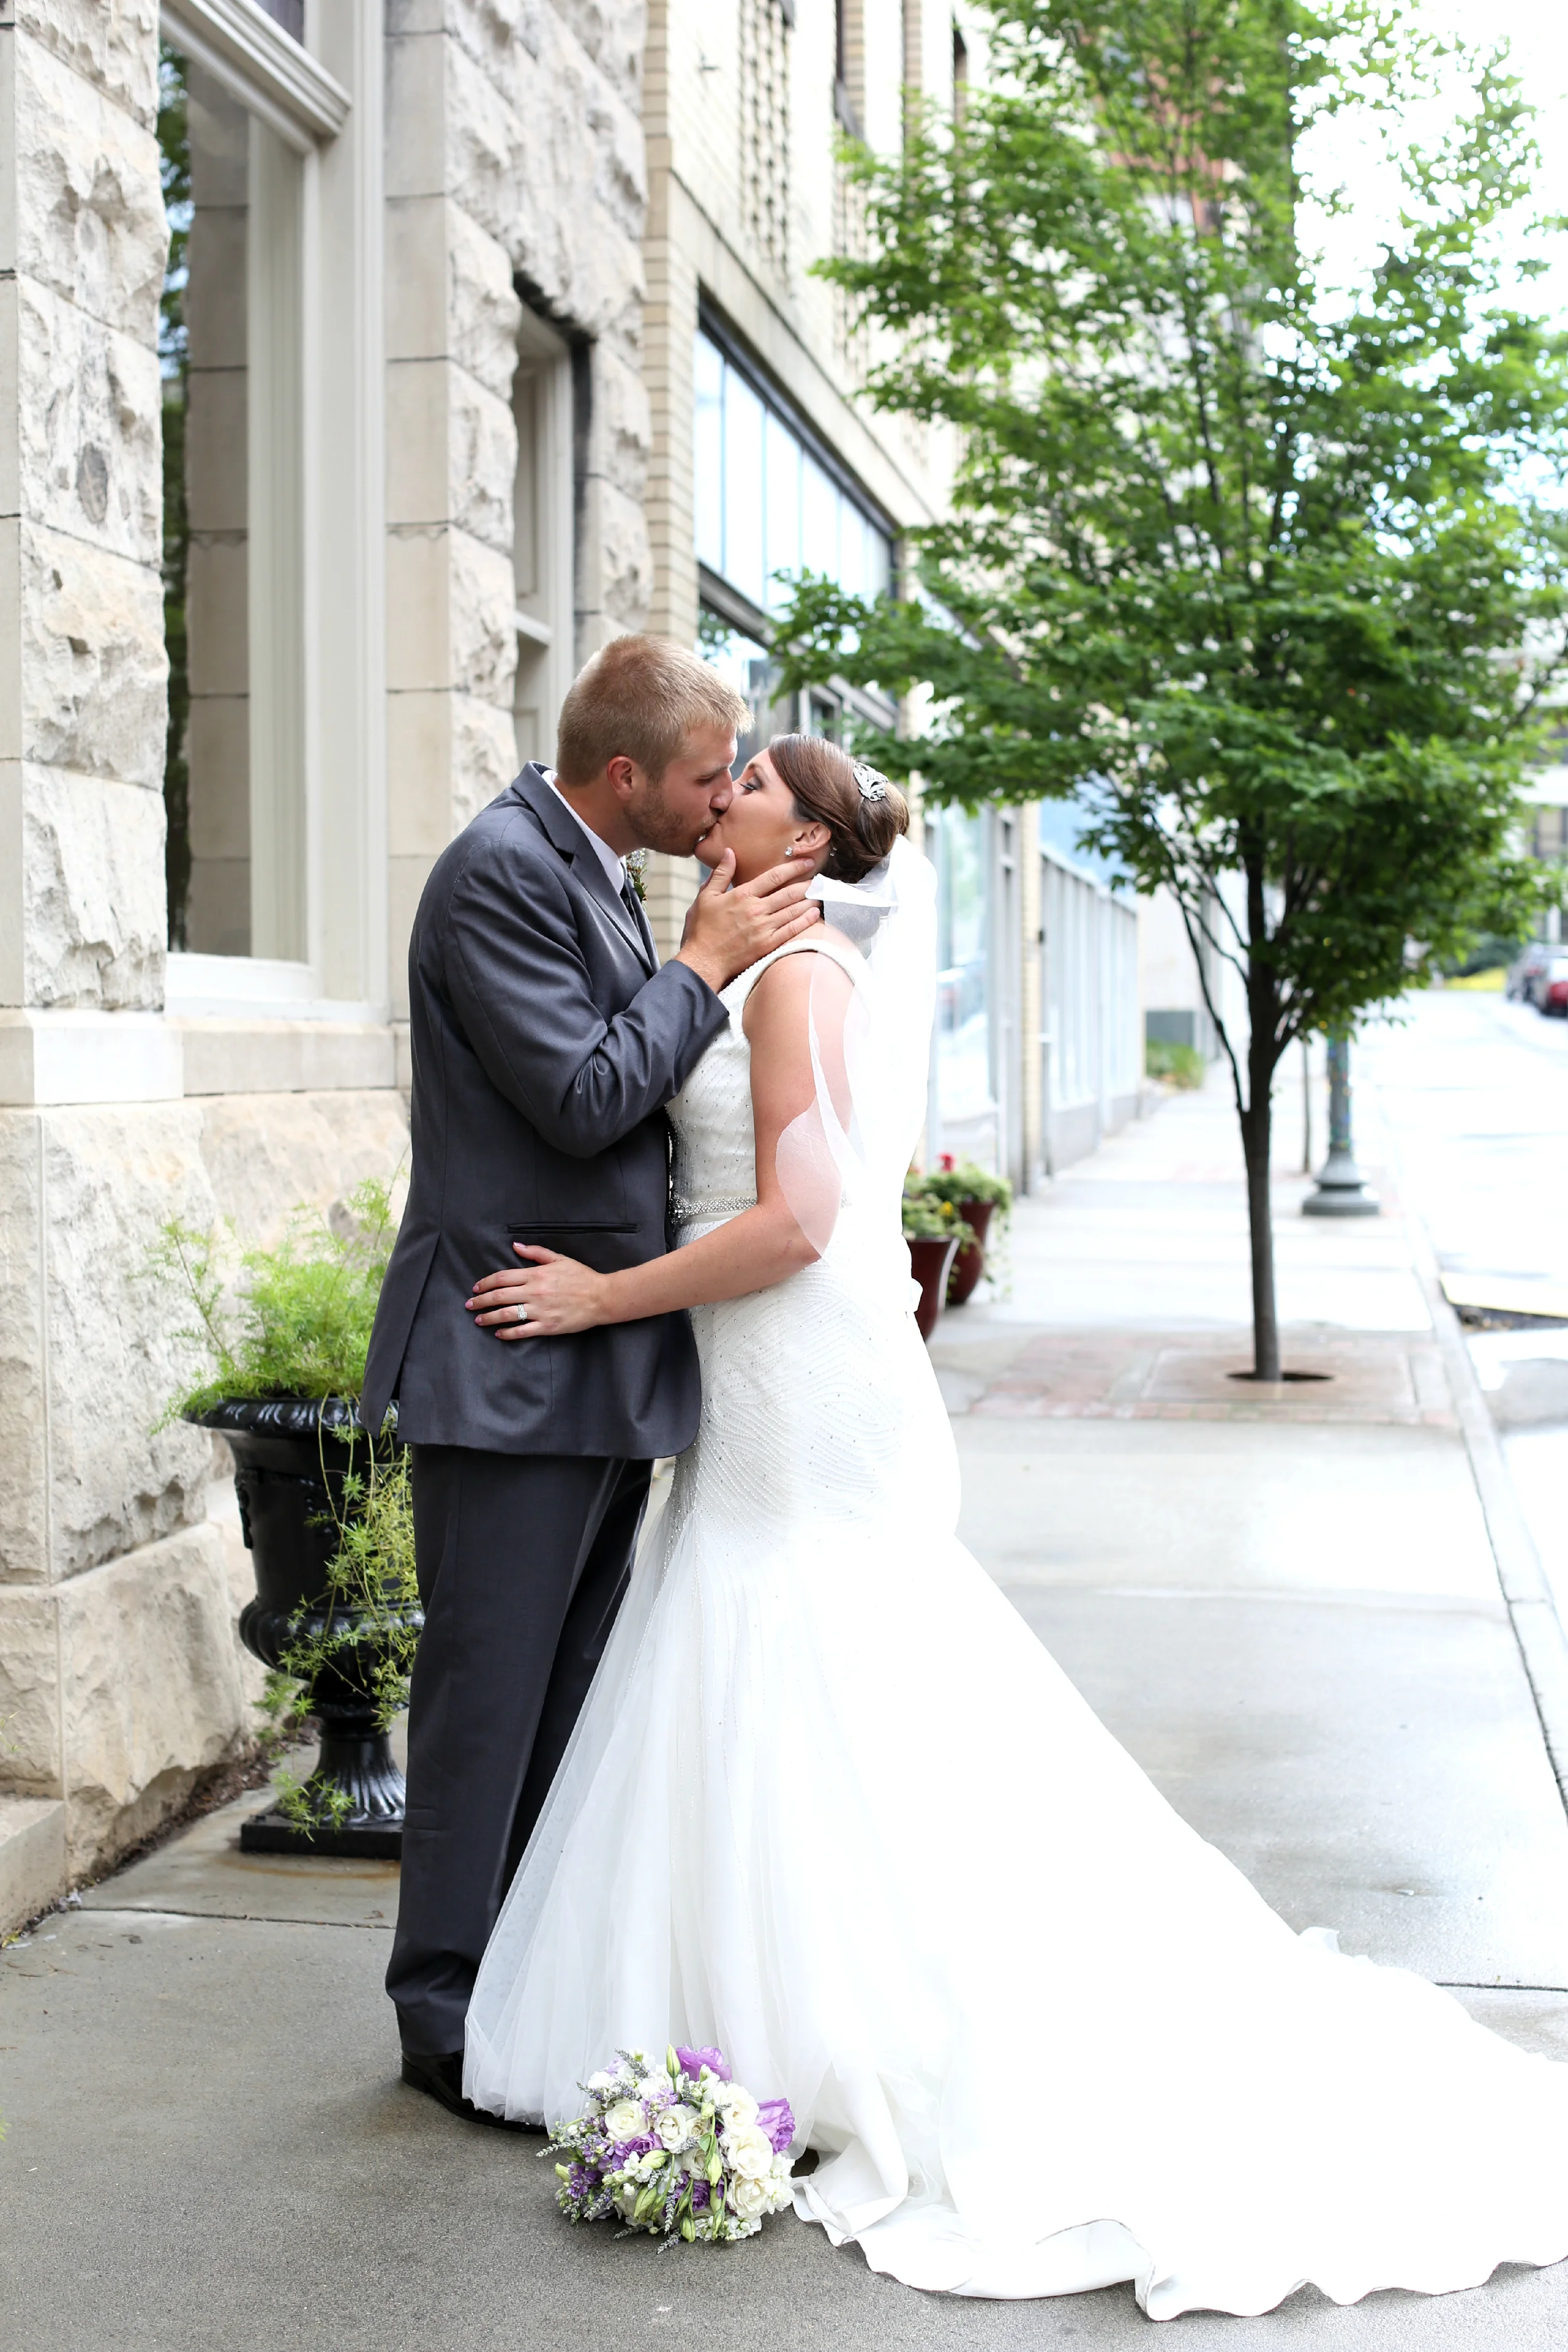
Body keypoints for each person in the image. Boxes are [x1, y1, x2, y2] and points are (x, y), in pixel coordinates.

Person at [458, 731, 1568, 2319]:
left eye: (753, 784)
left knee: (799, 1658)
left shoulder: (792, 980)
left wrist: (599, 1298)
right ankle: (757, 2017)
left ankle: (843, 2024)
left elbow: (797, 1221)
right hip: (768, 1377)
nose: (724, 796)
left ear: (809, 842)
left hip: (797, 1367)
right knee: (754, 1662)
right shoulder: (752, 956)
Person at [361, 638, 821, 2120]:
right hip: (512, 1354)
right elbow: (578, 1101)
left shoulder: (598, 869)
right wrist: (703, 965)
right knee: (487, 1698)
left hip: (598, 1357)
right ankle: (442, 2020)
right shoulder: (498, 871)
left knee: (563, 1699)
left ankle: (517, 1992)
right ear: (623, 773)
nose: (714, 806)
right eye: (703, 777)